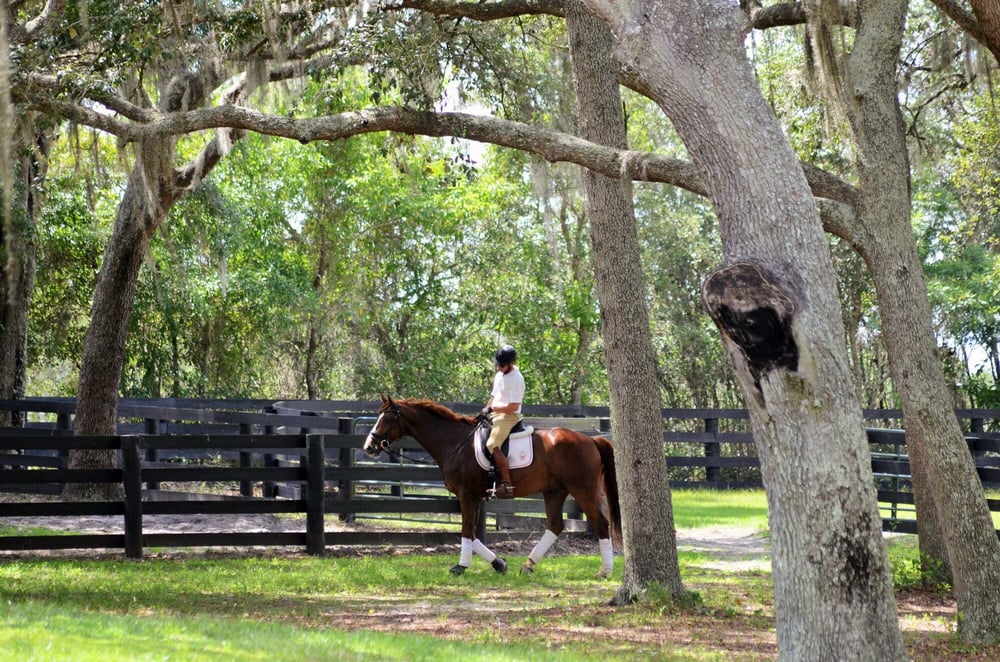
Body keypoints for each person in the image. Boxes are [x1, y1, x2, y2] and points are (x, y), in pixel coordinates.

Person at [480, 344, 525, 498]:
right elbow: (493, 397)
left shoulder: (517, 379)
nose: (499, 367)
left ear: (511, 363)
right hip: (495, 414)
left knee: (492, 444)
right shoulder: (500, 375)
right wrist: (485, 410)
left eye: (502, 365)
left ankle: (506, 484)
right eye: (498, 364)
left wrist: (493, 409)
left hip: (509, 417)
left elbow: (513, 407)